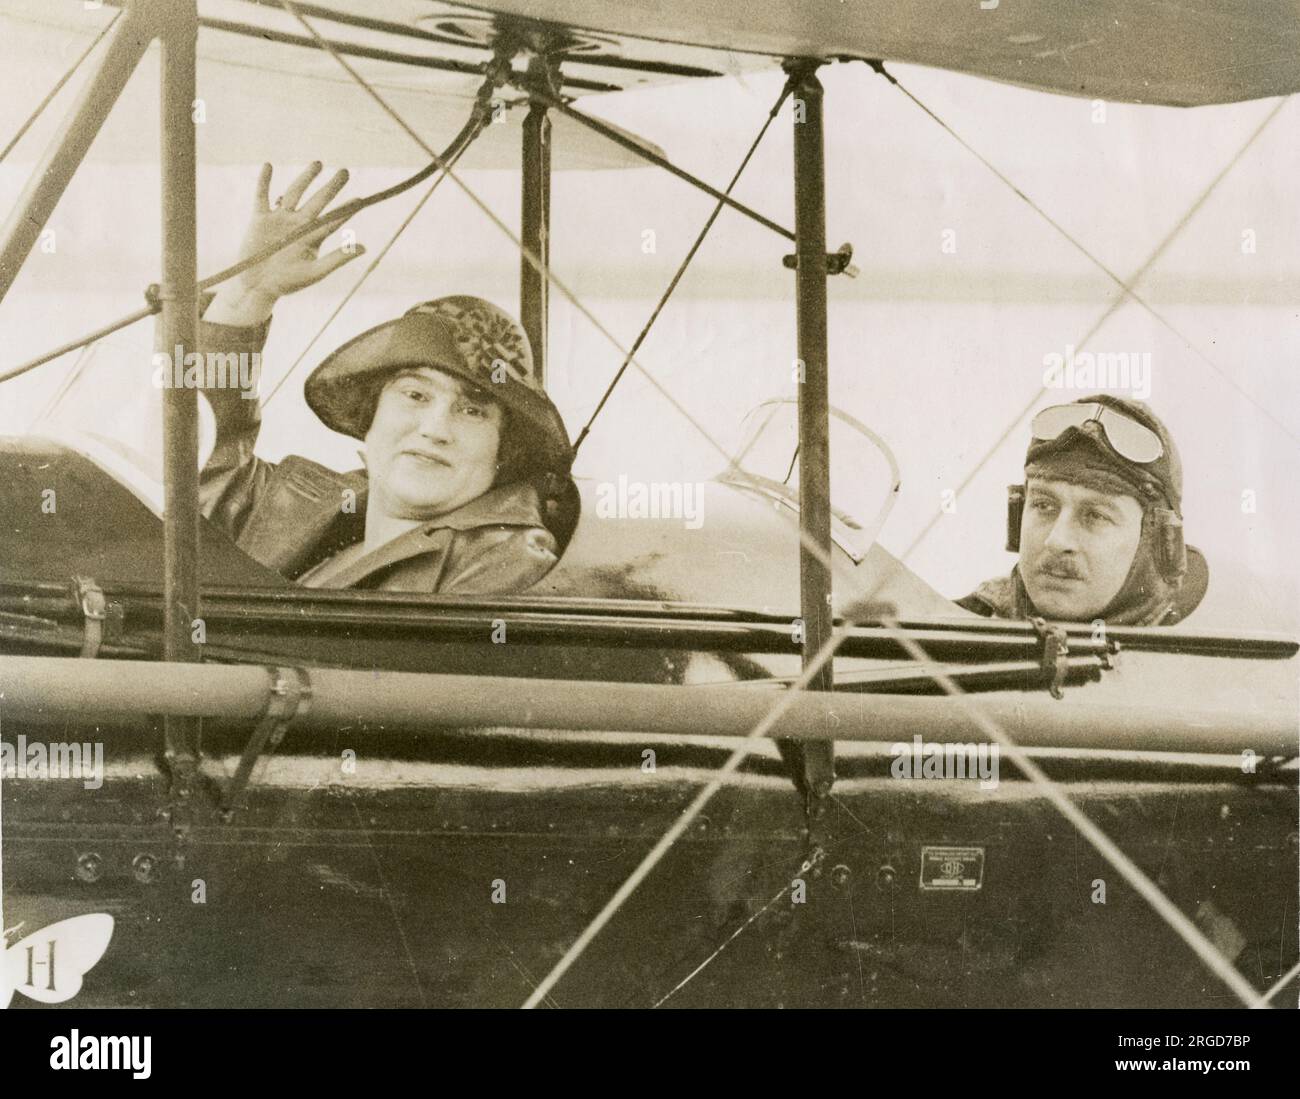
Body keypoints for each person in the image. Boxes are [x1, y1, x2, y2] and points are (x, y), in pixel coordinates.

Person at [197, 162, 574, 592]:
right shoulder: (308, 513)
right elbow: (200, 464)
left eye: (472, 410)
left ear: (504, 452)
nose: (435, 429)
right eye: (415, 394)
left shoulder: (503, 564)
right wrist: (248, 293)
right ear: (369, 417)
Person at [956, 394, 1208, 625]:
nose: (1056, 540)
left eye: (1095, 515)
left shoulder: (1195, 668)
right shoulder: (945, 639)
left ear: (1154, 542)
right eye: (1044, 505)